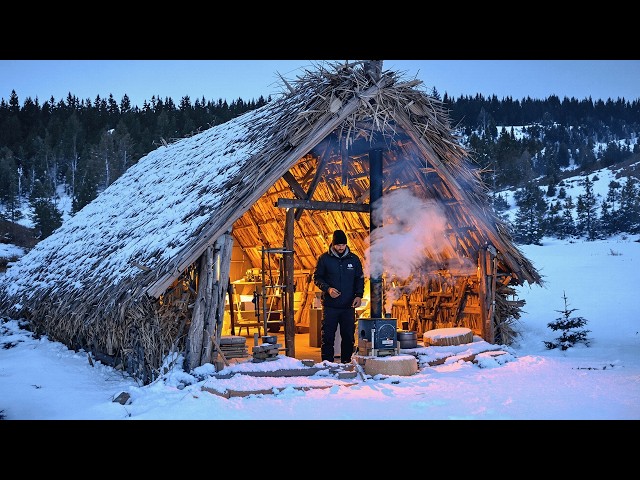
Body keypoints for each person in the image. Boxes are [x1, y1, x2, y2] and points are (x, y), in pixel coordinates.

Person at [313, 229, 365, 363]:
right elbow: (317, 278)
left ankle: (346, 362)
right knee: (328, 336)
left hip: (348, 306)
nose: (341, 248)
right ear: (333, 244)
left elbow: (359, 279)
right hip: (330, 306)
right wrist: (328, 289)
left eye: (343, 245)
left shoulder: (354, 260)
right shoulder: (324, 259)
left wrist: (359, 295)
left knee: (348, 337)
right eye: (338, 245)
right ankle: (327, 364)